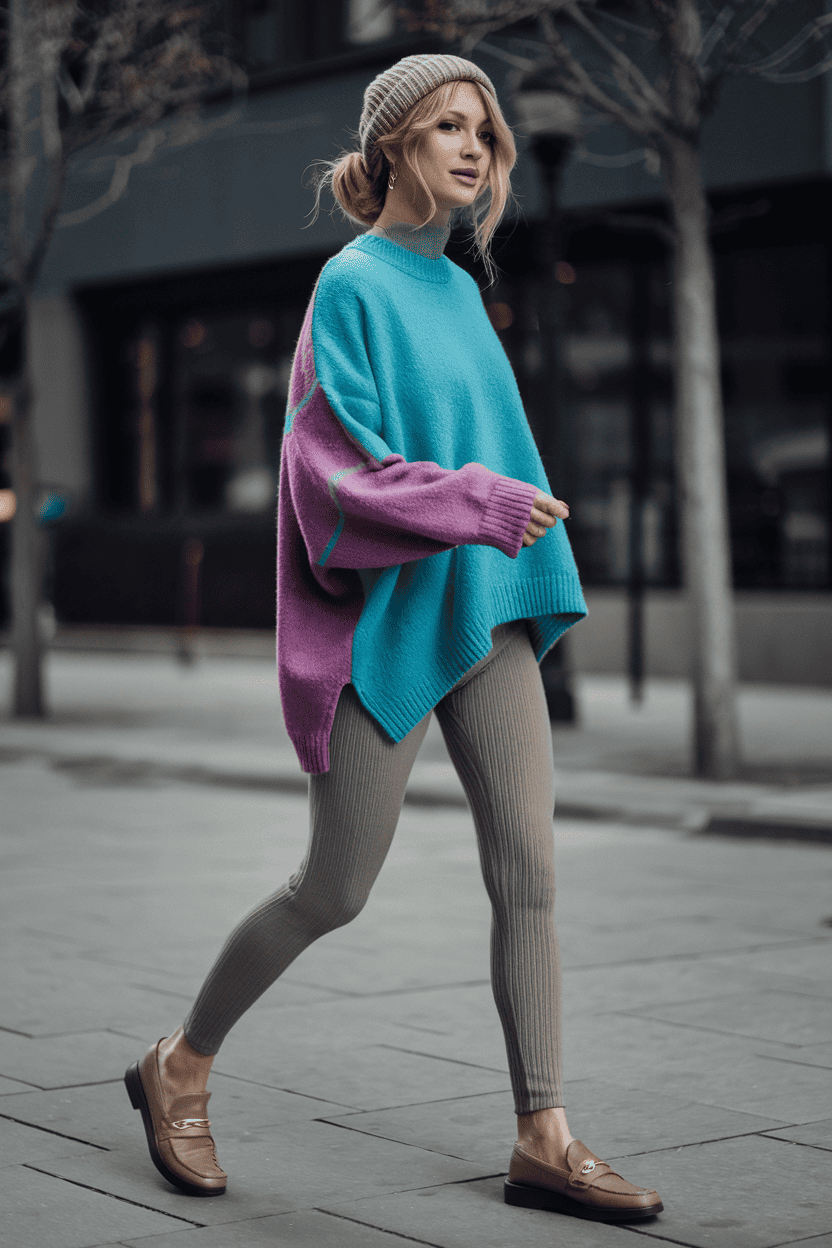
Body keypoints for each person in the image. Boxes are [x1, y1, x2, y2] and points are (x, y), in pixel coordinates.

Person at [124, 52, 663, 1225]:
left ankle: (542, 1134)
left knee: (528, 871)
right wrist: (472, 502)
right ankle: (180, 1060)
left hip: (484, 611)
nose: (474, 147)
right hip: (383, 622)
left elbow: (508, 458)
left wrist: (522, 546)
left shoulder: (464, 292)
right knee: (333, 889)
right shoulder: (350, 285)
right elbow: (331, 474)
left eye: (486, 130)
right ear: (391, 151)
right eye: (446, 127)